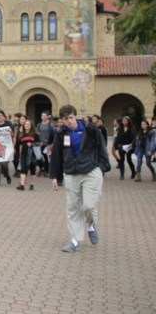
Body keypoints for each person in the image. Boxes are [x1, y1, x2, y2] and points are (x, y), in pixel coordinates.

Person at [49, 104, 110, 252]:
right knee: (73, 207)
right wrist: (55, 176)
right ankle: (75, 240)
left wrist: (102, 167)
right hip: (71, 172)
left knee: (89, 205)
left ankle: (90, 224)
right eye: (65, 118)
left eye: (71, 117)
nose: (69, 121)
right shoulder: (61, 133)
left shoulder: (90, 129)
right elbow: (56, 155)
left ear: (75, 116)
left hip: (91, 171)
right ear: (62, 120)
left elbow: (102, 147)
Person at [17, 119, 38, 190]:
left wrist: (32, 144)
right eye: (26, 124)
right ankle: (22, 185)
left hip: (32, 154)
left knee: (32, 170)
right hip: (23, 154)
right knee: (23, 169)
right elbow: (20, 145)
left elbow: (39, 144)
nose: (27, 125)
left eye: (29, 124)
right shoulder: (21, 135)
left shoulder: (35, 134)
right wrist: (20, 155)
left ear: (31, 126)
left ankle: (32, 184)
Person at [113, 116, 136, 180]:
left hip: (129, 146)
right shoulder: (120, 129)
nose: (124, 122)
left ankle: (133, 172)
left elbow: (134, 137)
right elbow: (117, 137)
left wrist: (132, 143)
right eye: (123, 120)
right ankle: (122, 174)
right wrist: (116, 145)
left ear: (128, 121)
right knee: (121, 160)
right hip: (122, 146)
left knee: (129, 160)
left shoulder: (132, 129)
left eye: (126, 120)